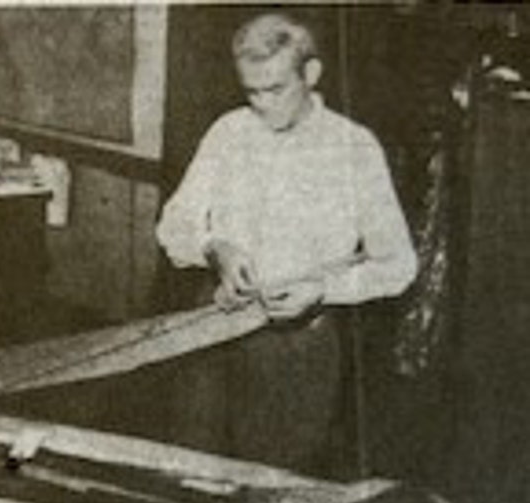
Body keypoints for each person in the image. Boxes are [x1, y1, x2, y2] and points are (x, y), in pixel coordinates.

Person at [156, 13, 417, 474]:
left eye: (275, 89)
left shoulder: (354, 148)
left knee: (272, 491)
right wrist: (215, 249)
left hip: (298, 351)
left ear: (310, 74)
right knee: (191, 478)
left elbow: (398, 265)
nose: (263, 105)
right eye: (251, 92)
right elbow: (173, 224)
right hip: (214, 330)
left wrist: (323, 291)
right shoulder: (229, 132)